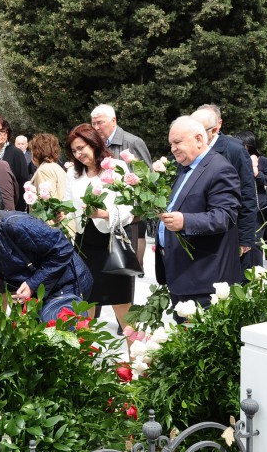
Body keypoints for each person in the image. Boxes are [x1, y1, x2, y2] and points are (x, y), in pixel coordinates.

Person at [0, 181, 91, 323]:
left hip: (66, 283)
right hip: (39, 292)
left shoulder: (13, 224)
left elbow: (63, 248)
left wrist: (33, 284)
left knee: (57, 334)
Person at [156, 117, 242, 307]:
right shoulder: (184, 168)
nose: (173, 149)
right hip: (182, 274)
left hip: (204, 278)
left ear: (199, 139)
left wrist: (185, 222)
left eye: (177, 142)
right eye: (171, 144)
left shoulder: (220, 169)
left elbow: (225, 216)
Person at [65, 124, 135, 328]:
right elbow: (70, 205)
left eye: (81, 148)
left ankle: (136, 359)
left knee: (121, 303)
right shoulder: (73, 174)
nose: (78, 154)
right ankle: (84, 356)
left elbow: (129, 207)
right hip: (83, 244)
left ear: (94, 143)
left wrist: (105, 214)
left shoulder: (116, 167)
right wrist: (61, 212)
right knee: (84, 302)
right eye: (74, 151)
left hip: (111, 243)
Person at [192, 106, 259, 269]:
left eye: (198, 131)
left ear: (215, 129)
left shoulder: (235, 150)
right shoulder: (189, 148)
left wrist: (245, 239)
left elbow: (248, 196)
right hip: (195, 226)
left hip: (227, 228)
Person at [91, 104, 151, 270]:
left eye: (100, 123)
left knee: (124, 269)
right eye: (93, 123)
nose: (96, 127)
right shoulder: (95, 145)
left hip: (127, 220)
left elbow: (147, 180)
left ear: (113, 121)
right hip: (101, 220)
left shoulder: (132, 143)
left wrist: (135, 213)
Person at [234, 130, 267, 262]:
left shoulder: (262, 161)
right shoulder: (234, 159)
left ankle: (256, 275)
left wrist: (256, 174)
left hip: (257, 209)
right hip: (237, 206)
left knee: (254, 243)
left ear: (249, 146)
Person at [0, 115, 30, 210]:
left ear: (7, 134)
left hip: (11, 209)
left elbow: (23, 183)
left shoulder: (16, 153)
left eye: (2, 131)